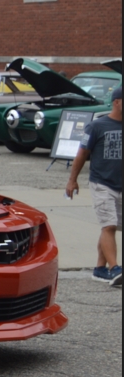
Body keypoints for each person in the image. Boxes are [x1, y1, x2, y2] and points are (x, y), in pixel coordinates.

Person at [66, 86, 122, 285]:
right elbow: (82, 154)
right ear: (117, 102)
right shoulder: (97, 126)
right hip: (102, 183)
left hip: (120, 185)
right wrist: (72, 180)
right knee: (109, 225)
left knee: (111, 226)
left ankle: (99, 269)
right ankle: (115, 269)